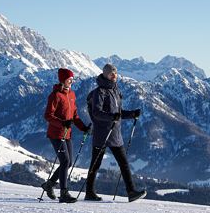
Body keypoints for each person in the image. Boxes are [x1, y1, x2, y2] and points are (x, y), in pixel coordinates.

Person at [86, 63, 146, 203]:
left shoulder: (115, 90)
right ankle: (89, 192)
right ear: (105, 74)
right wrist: (112, 117)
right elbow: (96, 113)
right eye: (111, 74)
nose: (114, 76)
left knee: (124, 163)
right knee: (96, 164)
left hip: (114, 133)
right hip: (102, 133)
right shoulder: (100, 92)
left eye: (115, 73)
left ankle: (131, 192)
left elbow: (117, 113)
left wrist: (131, 114)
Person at [42, 68, 91, 203]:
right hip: (56, 133)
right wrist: (62, 123)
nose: (71, 81)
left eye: (72, 79)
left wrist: (84, 128)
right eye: (69, 79)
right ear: (63, 80)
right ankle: (64, 193)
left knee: (67, 163)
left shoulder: (71, 95)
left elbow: (74, 116)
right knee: (65, 161)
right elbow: (48, 116)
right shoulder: (55, 95)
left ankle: (49, 184)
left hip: (67, 133)